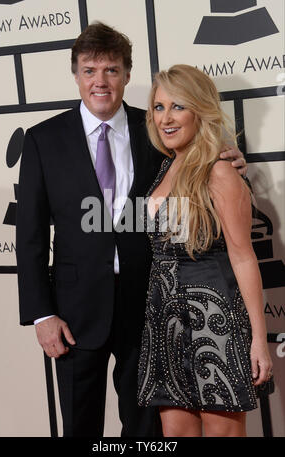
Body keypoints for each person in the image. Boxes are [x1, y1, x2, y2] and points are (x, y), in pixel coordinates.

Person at [16, 23, 246, 437]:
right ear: (76, 75)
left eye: (111, 70)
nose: (100, 81)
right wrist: (42, 314)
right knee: (79, 426)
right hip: (74, 310)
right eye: (90, 70)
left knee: (144, 430)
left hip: (149, 306)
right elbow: (29, 236)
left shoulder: (156, 129)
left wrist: (226, 157)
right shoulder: (42, 140)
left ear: (126, 74)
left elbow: (196, 163)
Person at [137, 64, 274, 437]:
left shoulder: (220, 170)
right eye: (159, 106)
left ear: (200, 109)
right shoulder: (165, 165)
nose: (166, 117)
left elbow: (244, 256)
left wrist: (259, 341)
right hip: (165, 321)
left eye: (177, 106)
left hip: (215, 321)